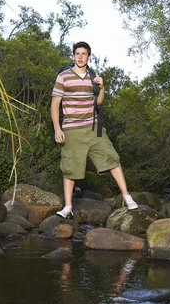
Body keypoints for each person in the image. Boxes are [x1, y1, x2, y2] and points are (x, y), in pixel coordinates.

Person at [51, 41, 138, 218]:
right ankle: (68, 207)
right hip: (72, 129)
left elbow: (98, 102)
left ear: (89, 57)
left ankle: (127, 197)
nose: (80, 56)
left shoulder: (93, 77)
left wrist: (102, 88)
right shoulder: (63, 77)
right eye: (77, 53)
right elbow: (54, 105)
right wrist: (57, 129)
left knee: (112, 158)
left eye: (84, 54)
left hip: (94, 127)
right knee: (70, 168)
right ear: (74, 56)